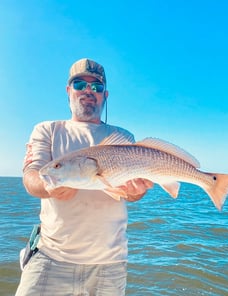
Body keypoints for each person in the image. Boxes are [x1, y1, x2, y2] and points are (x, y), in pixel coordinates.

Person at [15, 58, 153, 296]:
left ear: (105, 95)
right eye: (80, 85)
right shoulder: (47, 130)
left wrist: (137, 192)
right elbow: (32, 176)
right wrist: (48, 188)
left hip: (110, 263)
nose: (89, 91)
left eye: (96, 87)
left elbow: (130, 192)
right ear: (69, 91)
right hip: (51, 257)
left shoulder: (122, 135)